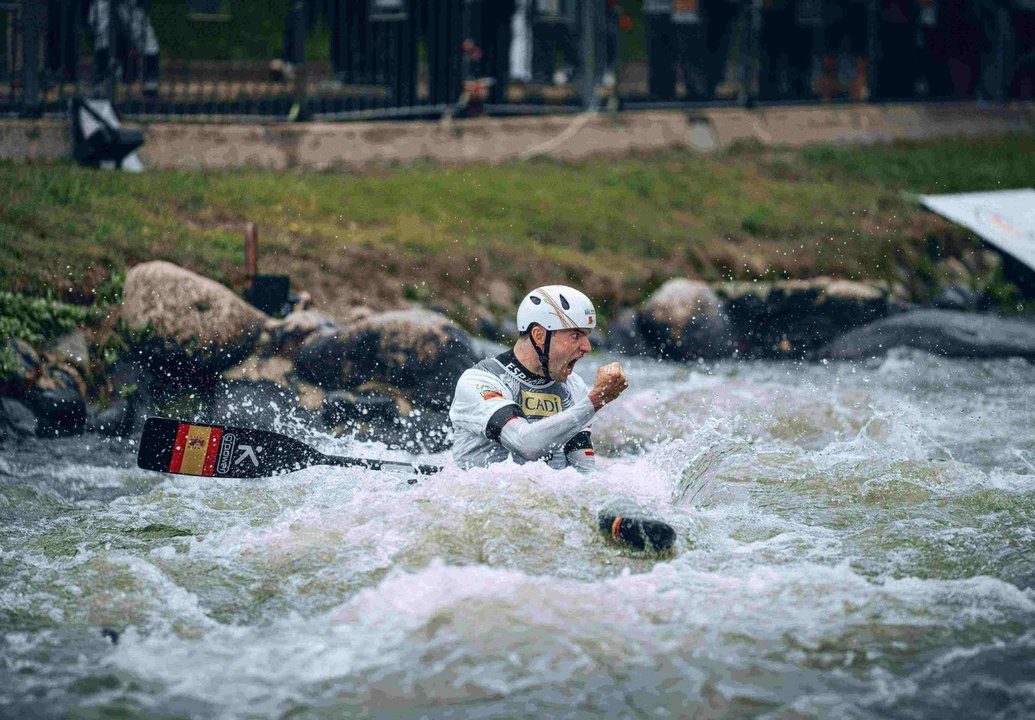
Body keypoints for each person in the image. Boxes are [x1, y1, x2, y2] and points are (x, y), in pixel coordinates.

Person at [449, 285, 629, 472]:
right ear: (539, 335)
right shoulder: (481, 381)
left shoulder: (574, 387)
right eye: (575, 335)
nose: (587, 347)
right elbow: (526, 445)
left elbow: (585, 473)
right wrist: (594, 401)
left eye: (587, 336)